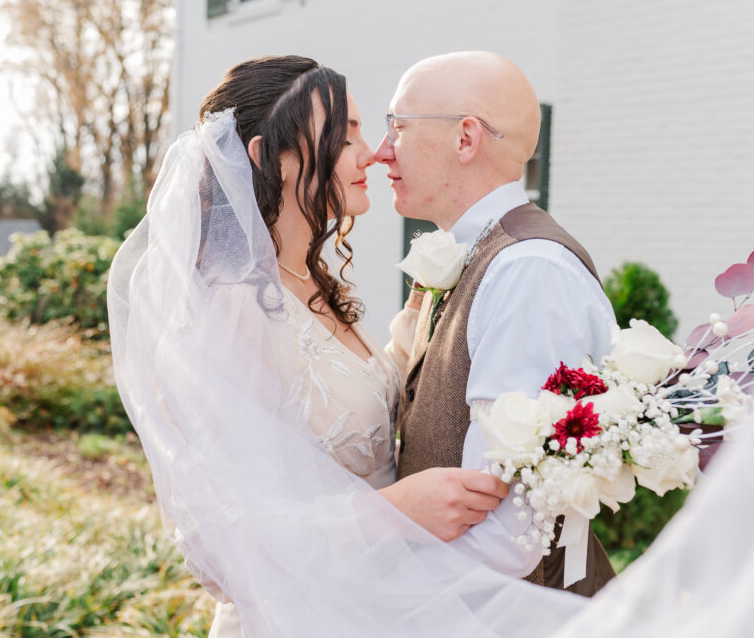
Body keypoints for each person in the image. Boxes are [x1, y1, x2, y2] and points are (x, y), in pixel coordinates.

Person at [110, 55, 512, 638]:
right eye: (344, 136)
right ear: (267, 156)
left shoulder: (302, 282)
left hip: (374, 605)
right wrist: (394, 512)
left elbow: (348, 406)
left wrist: (428, 309)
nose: (372, 152)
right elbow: (222, 542)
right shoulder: (232, 305)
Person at [378, 51, 617, 594]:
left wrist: (372, 586)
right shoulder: (482, 255)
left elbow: (508, 534)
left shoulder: (527, 271)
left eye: (399, 127)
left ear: (466, 139)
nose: (381, 152)